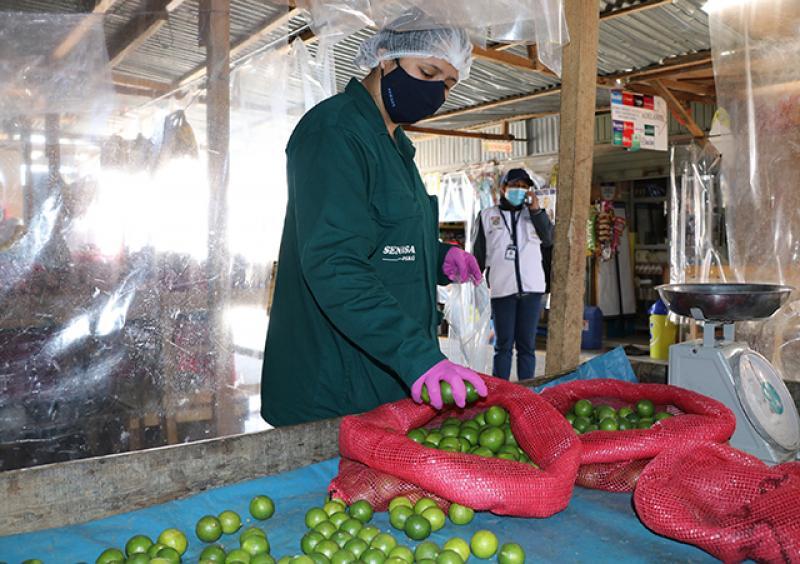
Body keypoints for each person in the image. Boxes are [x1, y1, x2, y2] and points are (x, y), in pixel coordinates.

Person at [261, 21, 488, 426]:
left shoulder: (397, 147)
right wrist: (417, 355)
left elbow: (386, 236)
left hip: (380, 378)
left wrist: (437, 257)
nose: (436, 93)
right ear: (385, 57)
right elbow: (335, 262)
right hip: (332, 385)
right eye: (427, 73)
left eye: (448, 84)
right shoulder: (334, 133)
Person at [473, 168, 554, 381]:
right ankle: (501, 389)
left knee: (527, 346)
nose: (519, 190)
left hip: (532, 290)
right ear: (503, 188)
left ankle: (527, 389)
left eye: (524, 187)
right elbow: (478, 255)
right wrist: (474, 288)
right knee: (503, 345)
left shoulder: (535, 215)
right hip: (502, 290)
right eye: (515, 185)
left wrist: (536, 210)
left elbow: (549, 239)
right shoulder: (487, 216)